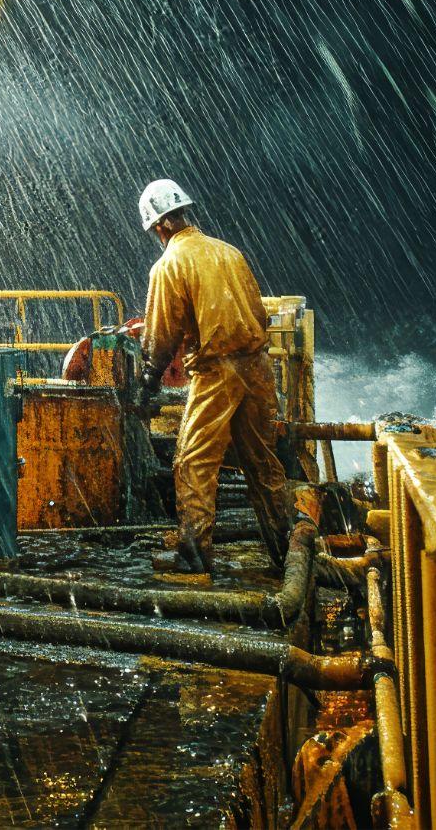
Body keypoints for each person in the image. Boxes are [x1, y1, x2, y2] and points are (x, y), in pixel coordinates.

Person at [134, 178, 292, 582]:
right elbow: (257, 312)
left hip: (217, 371)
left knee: (194, 460)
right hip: (257, 367)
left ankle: (193, 555)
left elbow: (162, 333)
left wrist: (149, 379)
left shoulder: (169, 264)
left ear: (160, 226)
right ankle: (287, 549)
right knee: (261, 461)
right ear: (183, 213)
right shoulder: (228, 252)